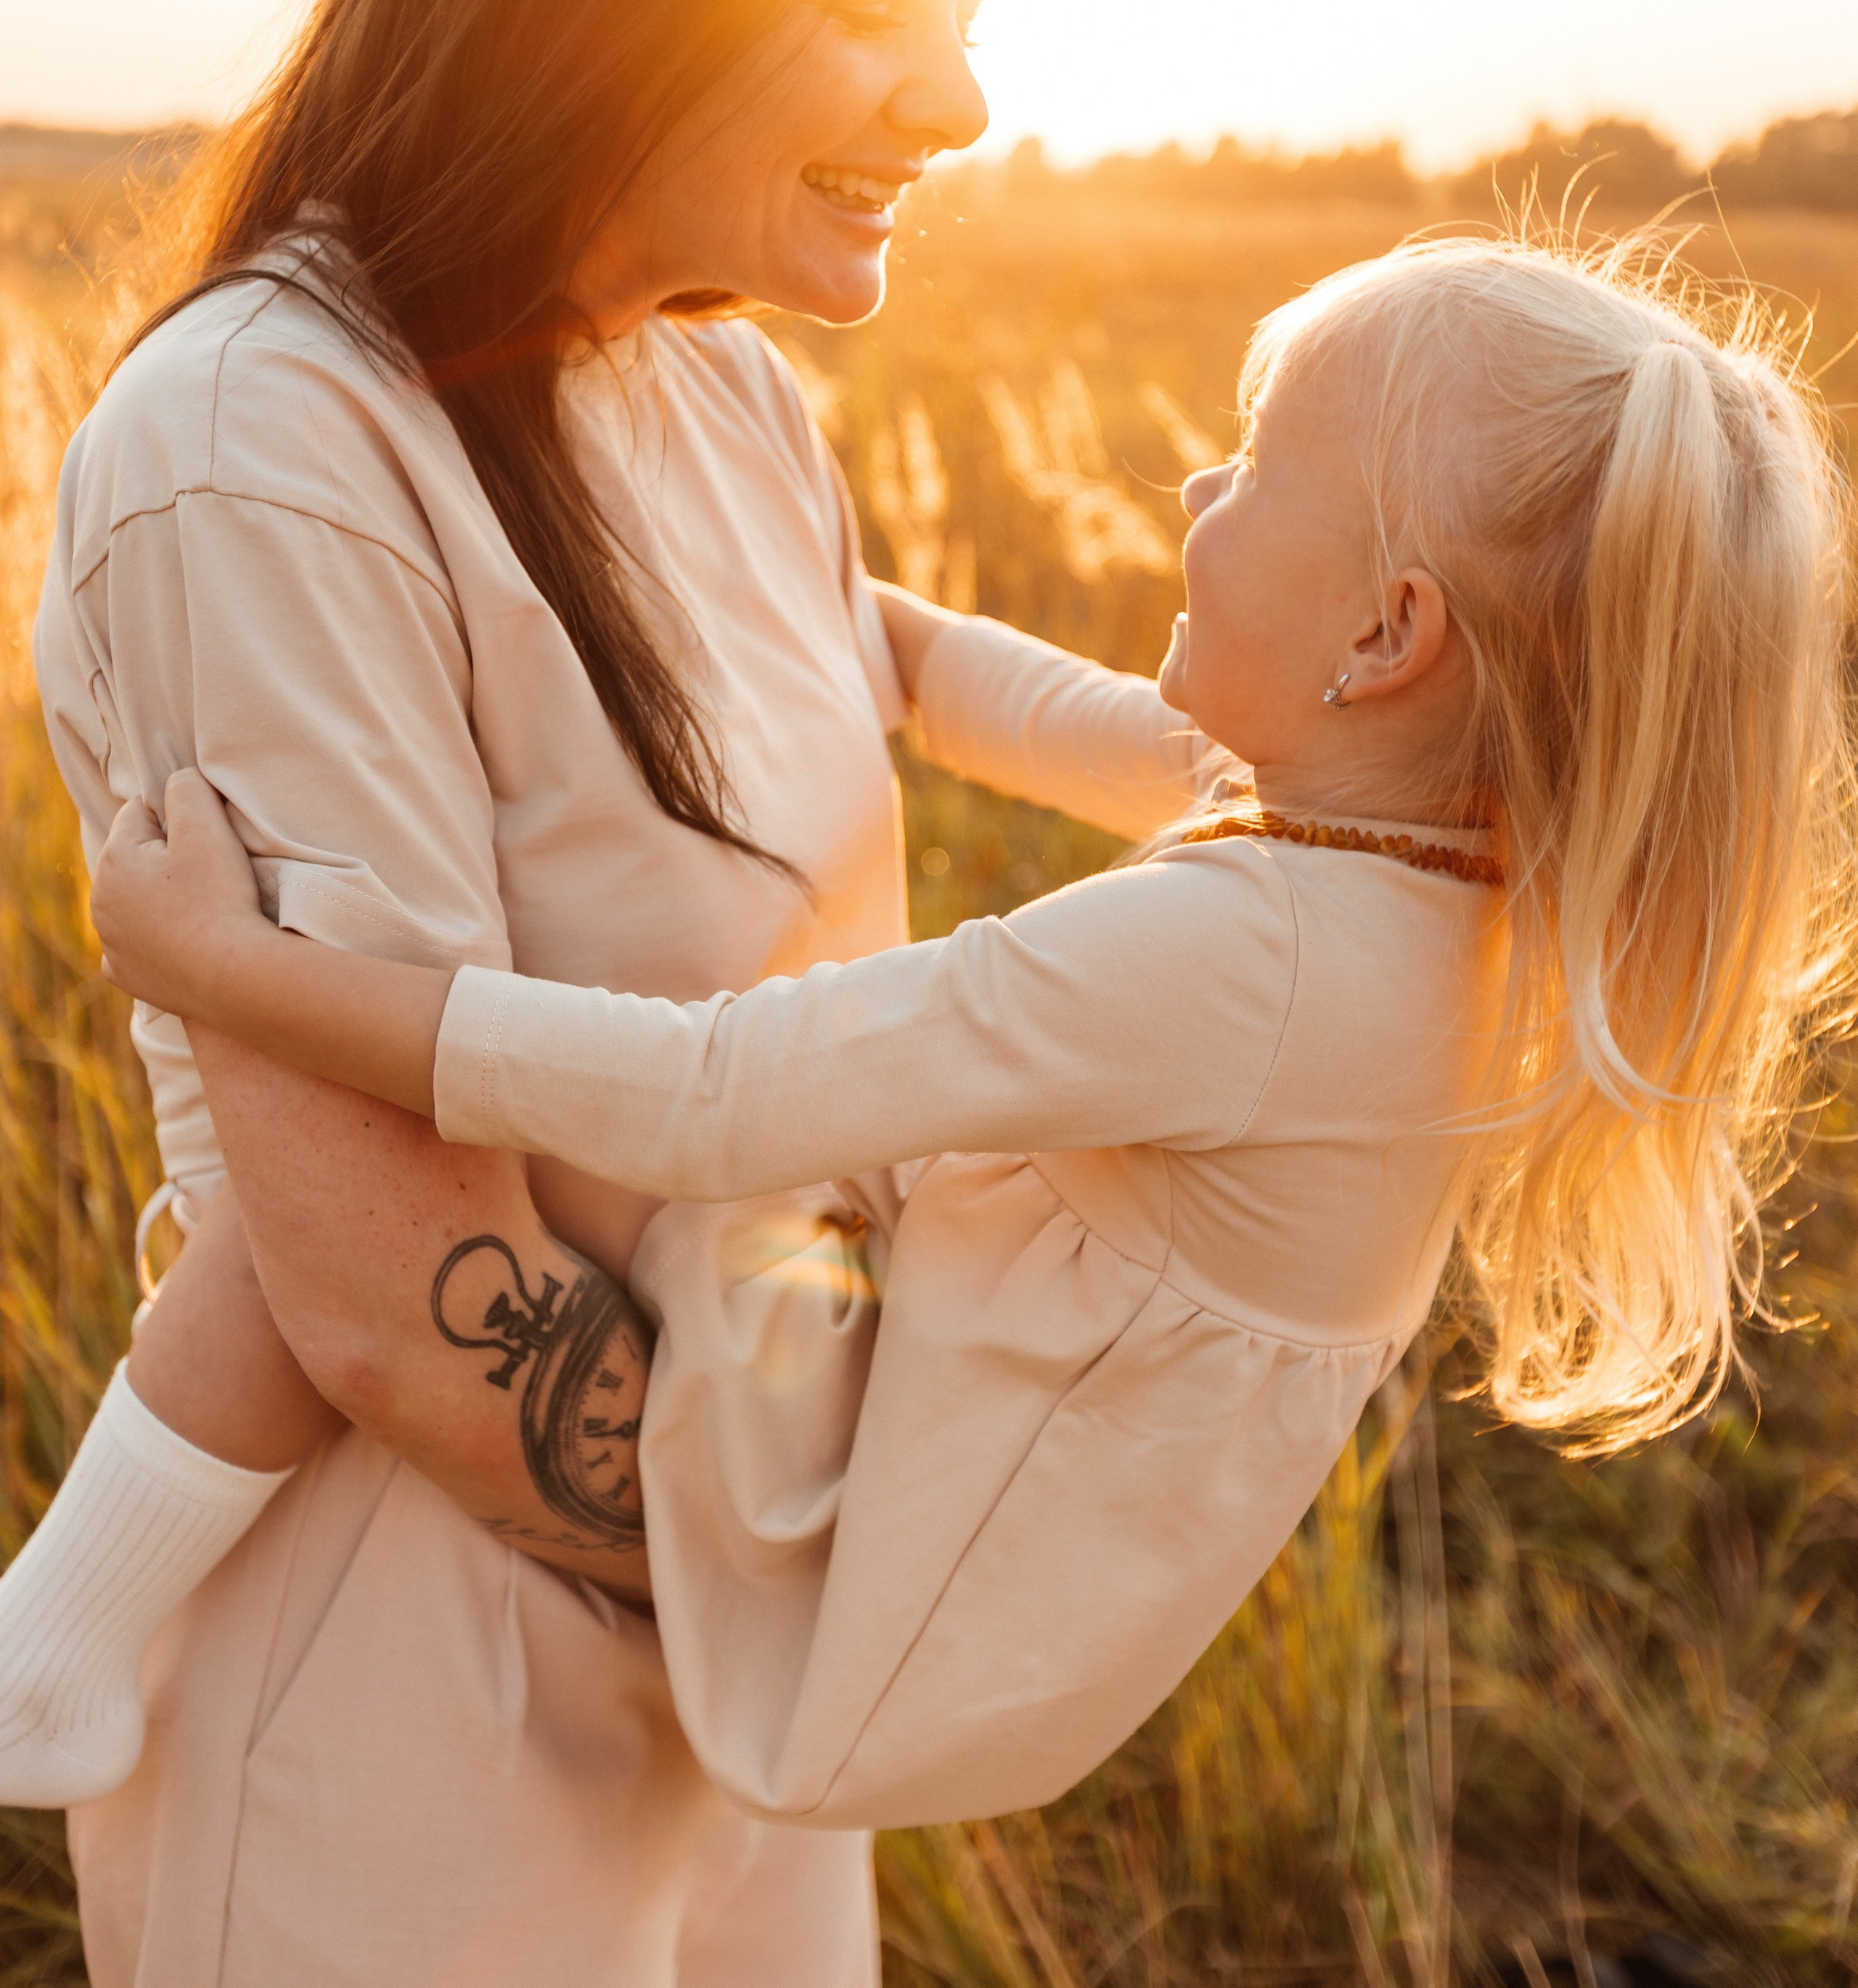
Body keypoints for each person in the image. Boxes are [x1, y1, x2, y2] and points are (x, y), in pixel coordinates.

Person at [81, 233, 1854, 1832]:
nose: (1199, 483)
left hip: (847, 1572)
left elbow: (714, 1096)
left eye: (1254, 467)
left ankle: (61, 1626)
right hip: (962, 1561)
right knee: (461, 1134)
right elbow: (995, 695)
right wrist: (760, 595)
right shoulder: (1444, 867)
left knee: (364, 1182)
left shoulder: (1247, 958)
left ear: (1384, 634)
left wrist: (226, 968)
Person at [6, 0, 1068, 1988]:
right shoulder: (267, 443)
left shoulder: (725, 394)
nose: (960, 107)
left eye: (971, 20)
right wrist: (851, 1587)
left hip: (738, 1650)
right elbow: (396, 1296)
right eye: (879, 7)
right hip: (408, 1716)